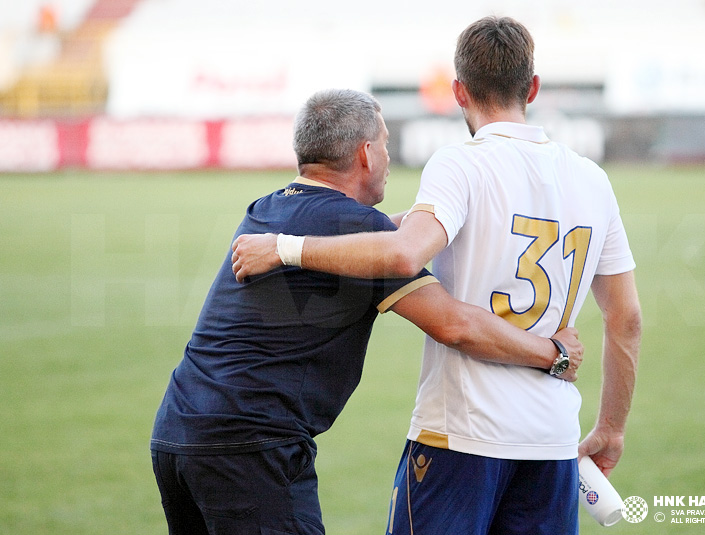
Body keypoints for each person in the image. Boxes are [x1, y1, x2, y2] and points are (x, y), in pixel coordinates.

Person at [231, 17, 642, 535]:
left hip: (461, 436)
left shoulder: (461, 164)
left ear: (458, 91)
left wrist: (285, 247)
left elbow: (405, 251)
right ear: (532, 88)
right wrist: (611, 428)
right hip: (552, 441)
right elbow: (625, 318)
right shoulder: (593, 181)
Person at [151, 88, 583, 535]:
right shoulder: (360, 230)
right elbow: (455, 325)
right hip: (252, 449)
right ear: (366, 153)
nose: (390, 158)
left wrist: (454, 213)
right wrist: (553, 353)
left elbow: (371, 228)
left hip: (177, 434)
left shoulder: (266, 210)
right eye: (387, 143)